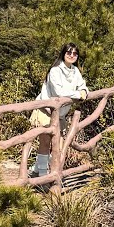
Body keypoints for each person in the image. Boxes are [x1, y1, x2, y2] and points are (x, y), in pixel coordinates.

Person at [33, 43, 89, 176]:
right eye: (69, 52)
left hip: (60, 113)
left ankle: (40, 170)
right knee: (46, 142)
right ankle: (42, 175)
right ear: (63, 54)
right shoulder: (55, 70)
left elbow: (83, 86)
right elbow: (59, 91)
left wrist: (84, 91)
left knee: (58, 144)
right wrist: (77, 94)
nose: (72, 55)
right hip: (46, 110)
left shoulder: (75, 71)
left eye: (75, 53)